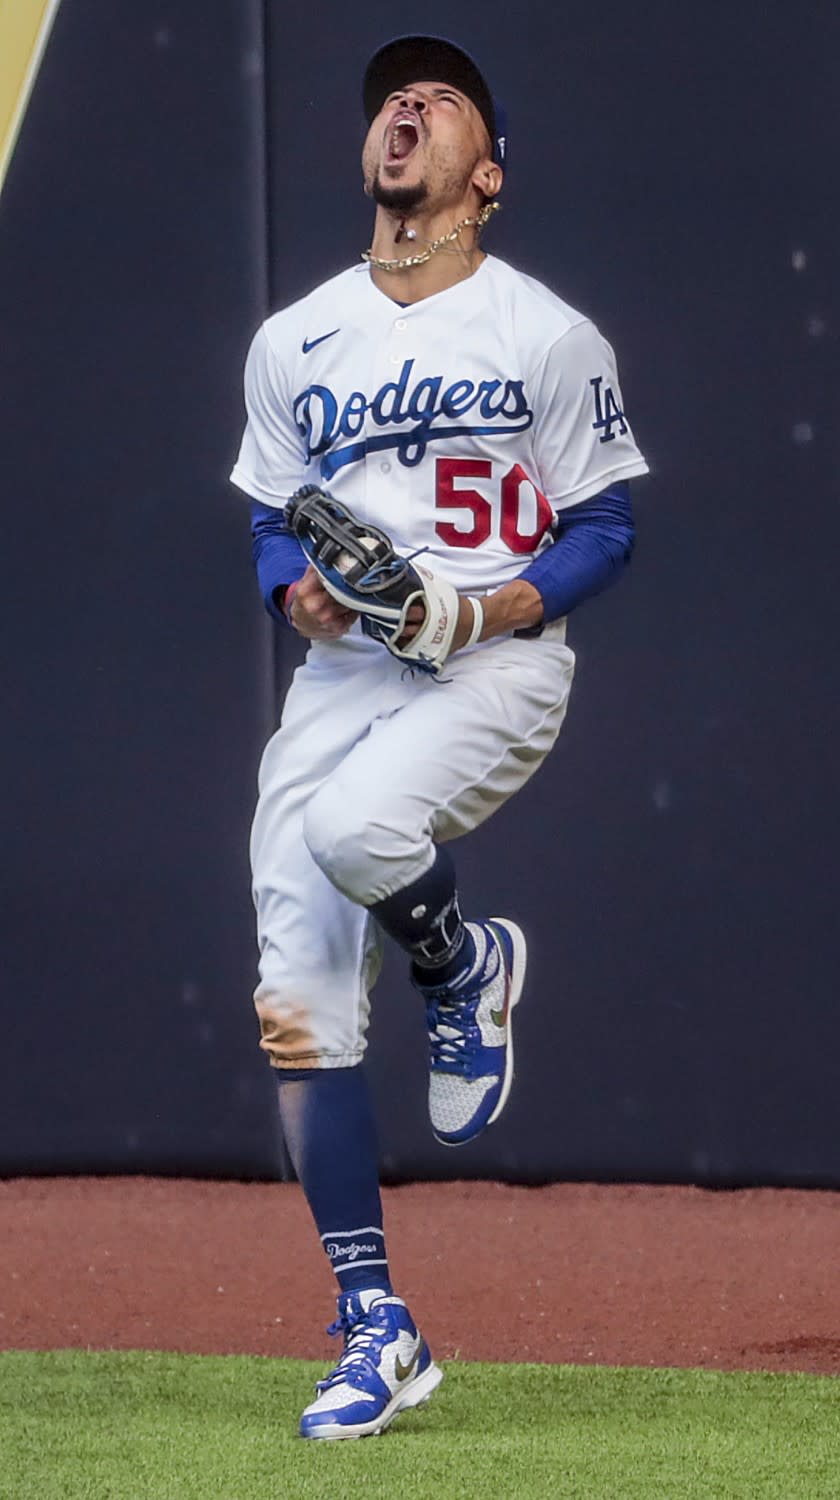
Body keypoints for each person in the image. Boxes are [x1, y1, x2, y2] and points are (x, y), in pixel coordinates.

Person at [230, 34, 648, 1440]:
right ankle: (376, 1326)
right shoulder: (292, 339)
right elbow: (270, 515)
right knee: (295, 988)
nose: (403, 106)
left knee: (358, 835)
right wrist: (294, 589)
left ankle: (465, 964)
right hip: (345, 680)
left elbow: (608, 523)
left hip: (493, 666)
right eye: (391, 98)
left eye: (441, 99)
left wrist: (493, 607)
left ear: (488, 175)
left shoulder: (545, 331)